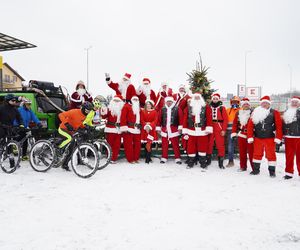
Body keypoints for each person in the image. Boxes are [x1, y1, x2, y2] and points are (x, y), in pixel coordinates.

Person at [247, 95, 283, 177]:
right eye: (263, 103)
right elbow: (250, 126)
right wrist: (250, 136)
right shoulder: (255, 112)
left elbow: (279, 126)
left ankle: (272, 172)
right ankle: (256, 170)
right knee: (256, 154)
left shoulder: (274, 112)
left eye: (266, 103)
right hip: (257, 137)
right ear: (261, 104)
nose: (264, 104)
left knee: (271, 155)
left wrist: (278, 138)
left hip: (269, 138)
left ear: (269, 104)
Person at [58, 101, 94, 170]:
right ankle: (59, 149)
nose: (87, 112)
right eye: (86, 110)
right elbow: (61, 115)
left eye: (89, 111)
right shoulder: (74, 112)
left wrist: (85, 126)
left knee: (72, 149)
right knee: (70, 139)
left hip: (71, 131)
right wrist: (67, 124)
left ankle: (64, 164)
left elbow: (78, 123)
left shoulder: (84, 116)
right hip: (63, 129)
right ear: (83, 108)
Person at [182, 92, 213, 169]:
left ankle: (203, 163)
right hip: (191, 131)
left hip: (202, 131)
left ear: (200, 98)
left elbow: (209, 119)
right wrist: (185, 131)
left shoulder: (206, 107)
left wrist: (208, 128)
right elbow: (185, 119)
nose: (196, 99)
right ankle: (190, 163)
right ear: (193, 98)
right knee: (191, 148)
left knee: (202, 147)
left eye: (198, 97)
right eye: (195, 97)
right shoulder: (188, 108)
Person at [156, 96, 183, 164]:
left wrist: (180, 128)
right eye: (168, 101)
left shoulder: (177, 108)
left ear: (172, 102)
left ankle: (177, 158)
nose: (169, 103)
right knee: (164, 145)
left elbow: (181, 119)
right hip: (165, 129)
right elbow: (159, 120)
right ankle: (164, 157)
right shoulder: (162, 109)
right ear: (166, 102)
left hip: (174, 130)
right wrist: (158, 128)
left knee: (175, 144)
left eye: (170, 101)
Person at [231, 97, 253, 171]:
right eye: (244, 104)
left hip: (251, 136)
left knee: (251, 153)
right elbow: (234, 124)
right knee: (242, 152)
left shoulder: (253, 113)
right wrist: (234, 133)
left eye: (247, 104)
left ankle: (254, 168)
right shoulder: (238, 112)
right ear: (242, 105)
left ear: (249, 105)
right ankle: (243, 166)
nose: (246, 105)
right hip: (241, 134)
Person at [207, 93, 228, 169]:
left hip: (219, 127)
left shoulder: (222, 108)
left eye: (216, 99)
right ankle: (208, 160)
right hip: (210, 127)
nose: (215, 100)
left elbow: (226, 119)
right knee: (209, 144)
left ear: (218, 99)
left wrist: (224, 129)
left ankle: (221, 163)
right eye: (214, 99)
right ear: (212, 99)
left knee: (220, 145)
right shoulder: (208, 107)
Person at [101, 95, 125, 163]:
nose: (116, 102)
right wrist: (103, 110)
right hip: (110, 129)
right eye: (115, 100)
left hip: (118, 129)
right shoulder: (109, 109)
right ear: (112, 101)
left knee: (117, 145)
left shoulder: (122, 110)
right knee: (109, 144)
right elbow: (103, 116)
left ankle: (114, 158)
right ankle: (109, 157)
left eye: (118, 101)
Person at [282, 96, 300, 179]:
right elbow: (283, 124)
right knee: (289, 156)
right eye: (293, 102)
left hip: (298, 137)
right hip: (288, 137)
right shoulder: (287, 111)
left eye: (296, 102)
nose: (294, 103)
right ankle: (289, 173)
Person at [120, 96, 142, 163]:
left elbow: (141, 118)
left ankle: (136, 158)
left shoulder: (139, 108)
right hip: (128, 129)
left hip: (137, 129)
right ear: (131, 100)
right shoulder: (126, 106)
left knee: (137, 145)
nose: (135, 100)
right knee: (128, 145)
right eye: (134, 99)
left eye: (137, 99)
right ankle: (130, 159)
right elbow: (123, 117)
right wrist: (124, 127)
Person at [141, 99, 158, 163]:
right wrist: (146, 125)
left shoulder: (154, 112)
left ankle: (147, 158)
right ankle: (147, 157)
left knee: (149, 143)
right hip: (145, 129)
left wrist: (150, 126)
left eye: (149, 104)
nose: (148, 106)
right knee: (145, 143)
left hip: (151, 129)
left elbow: (155, 120)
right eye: (147, 104)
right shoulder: (143, 111)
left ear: (151, 105)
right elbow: (141, 120)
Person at [226, 96, 240, 167]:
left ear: (238, 102)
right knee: (230, 146)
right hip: (230, 131)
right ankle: (230, 161)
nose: (234, 103)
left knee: (241, 145)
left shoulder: (241, 109)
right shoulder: (228, 110)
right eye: (233, 102)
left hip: (239, 131)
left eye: (236, 102)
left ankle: (243, 160)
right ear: (231, 102)